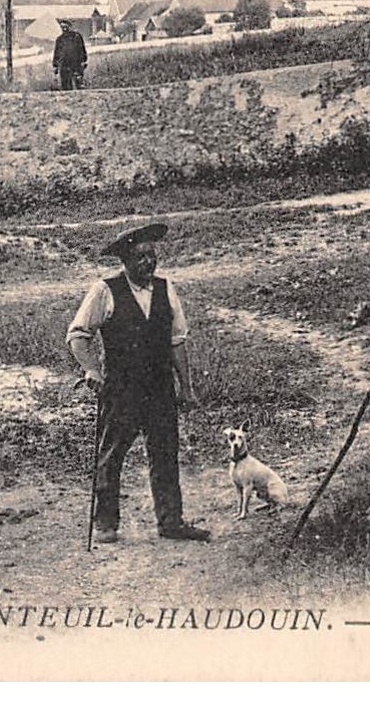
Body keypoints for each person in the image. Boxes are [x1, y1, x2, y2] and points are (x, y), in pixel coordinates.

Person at [66, 221, 210, 543]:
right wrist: (92, 370)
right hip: (122, 388)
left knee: (165, 452)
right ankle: (105, 523)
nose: (148, 263)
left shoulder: (165, 288)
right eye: (140, 257)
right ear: (125, 261)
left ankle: (171, 522)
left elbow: (177, 340)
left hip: (159, 388)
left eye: (151, 255)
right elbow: (77, 336)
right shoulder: (105, 290)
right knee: (111, 454)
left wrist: (185, 387)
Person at [52, 18, 88, 90]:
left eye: (66, 27)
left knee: (79, 83)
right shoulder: (59, 39)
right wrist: (55, 65)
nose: (64, 29)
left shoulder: (76, 37)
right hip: (64, 64)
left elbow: (82, 49)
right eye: (62, 27)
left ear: (69, 26)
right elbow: (56, 53)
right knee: (65, 85)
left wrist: (84, 60)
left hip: (76, 64)